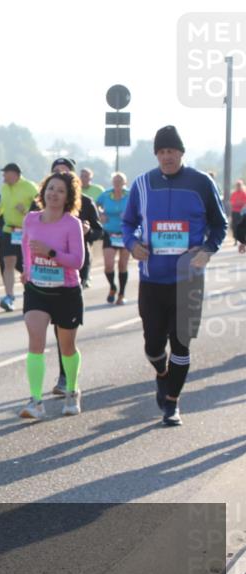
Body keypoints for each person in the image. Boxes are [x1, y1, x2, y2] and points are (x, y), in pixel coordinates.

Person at [123, 125, 227, 426]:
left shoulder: (201, 183)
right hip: (152, 279)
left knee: (181, 344)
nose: (167, 156)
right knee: (153, 345)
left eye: (172, 151)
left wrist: (207, 250)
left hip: (188, 279)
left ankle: (172, 403)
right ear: (156, 154)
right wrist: (132, 245)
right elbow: (128, 224)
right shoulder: (142, 184)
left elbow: (220, 226)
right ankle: (162, 374)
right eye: (162, 151)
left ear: (182, 152)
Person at [17, 171, 86, 419]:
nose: (53, 194)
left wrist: (51, 253)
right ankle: (36, 401)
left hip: (66, 291)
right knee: (35, 341)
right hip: (37, 290)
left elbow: (77, 261)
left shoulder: (72, 224)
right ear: (43, 192)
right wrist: (27, 269)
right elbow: (25, 245)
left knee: (67, 347)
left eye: (60, 191)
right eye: (50, 188)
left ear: (68, 197)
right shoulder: (31, 219)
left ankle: (72, 390)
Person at [48, 158, 102, 396]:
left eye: (65, 173)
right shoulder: (42, 203)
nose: (60, 177)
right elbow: (29, 233)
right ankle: (65, 373)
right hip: (45, 273)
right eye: (55, 174)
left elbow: (100, 230)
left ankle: (66, 375)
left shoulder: (85, 202)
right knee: (51, 326)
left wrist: (88, 232)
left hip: (72, 271)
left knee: (65, 328)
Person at [0, 163, 38, 312]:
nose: (3, 176)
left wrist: (25, 211)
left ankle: (33, 291)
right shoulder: (5, 187)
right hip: (9, 230)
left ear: (14, 174)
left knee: (27, 263)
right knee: (8, 262)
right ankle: (9, 296)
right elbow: (3, 206)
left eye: (5, 173)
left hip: (26, 231)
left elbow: (40, 208)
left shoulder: (29, 187)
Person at [96, 172, 131, 304]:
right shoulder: (106, 195)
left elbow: (139, 207)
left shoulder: (130, 195)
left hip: (125, 233)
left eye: (120, 181)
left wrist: (129, 214)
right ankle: (113, 287)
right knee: (108, 265)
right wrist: (101, 213)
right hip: (109, 233)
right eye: (115, 181)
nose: (117, 183)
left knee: (123, 265)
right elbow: (95, 204)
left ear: (124, 182)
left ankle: (121, 294)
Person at [231, 179, 245, 250]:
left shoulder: (244, 193)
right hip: (234, 211)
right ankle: (235, 240)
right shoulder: (234, 194)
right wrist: (239, 203)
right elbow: (233, 202)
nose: (238, 187)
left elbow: (244, 203)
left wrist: (239, 203)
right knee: (234, 226)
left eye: (240, 185)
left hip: (241, 213)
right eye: (237, 185)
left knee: (241, 226)